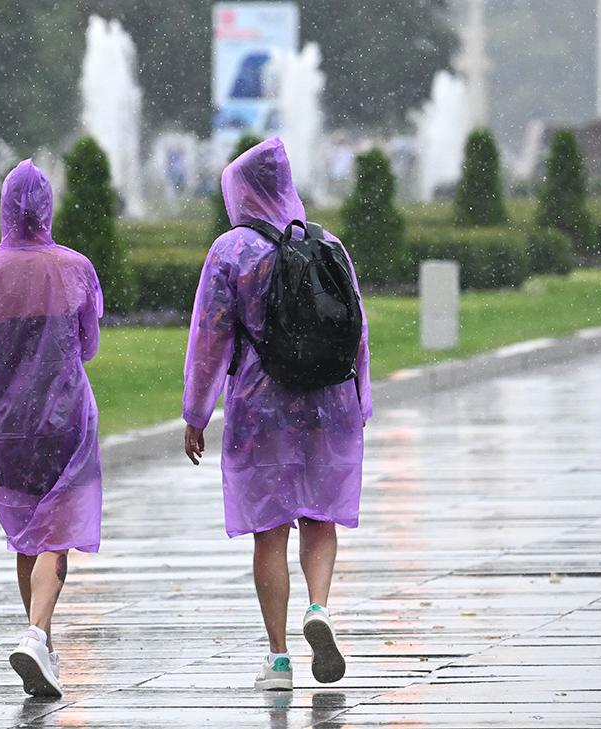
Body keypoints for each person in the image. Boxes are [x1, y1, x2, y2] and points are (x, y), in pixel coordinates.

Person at [181, 137, 371, 691]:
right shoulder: (328, 243)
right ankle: (319, 607)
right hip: (329, 401)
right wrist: (362, 397)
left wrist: (197, 410)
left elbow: (209, 337)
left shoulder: (231, 252)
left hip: (261, 405)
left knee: (270, 531)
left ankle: (280, 658)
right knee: (320, 517)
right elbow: (356, 328)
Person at [0, 160, 104, 698]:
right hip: (63, 414)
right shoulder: (74, 267)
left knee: (27, 534)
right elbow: (87, 343)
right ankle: (37, 634)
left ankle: (39, 639)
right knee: (56, 532)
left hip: (3, 421)